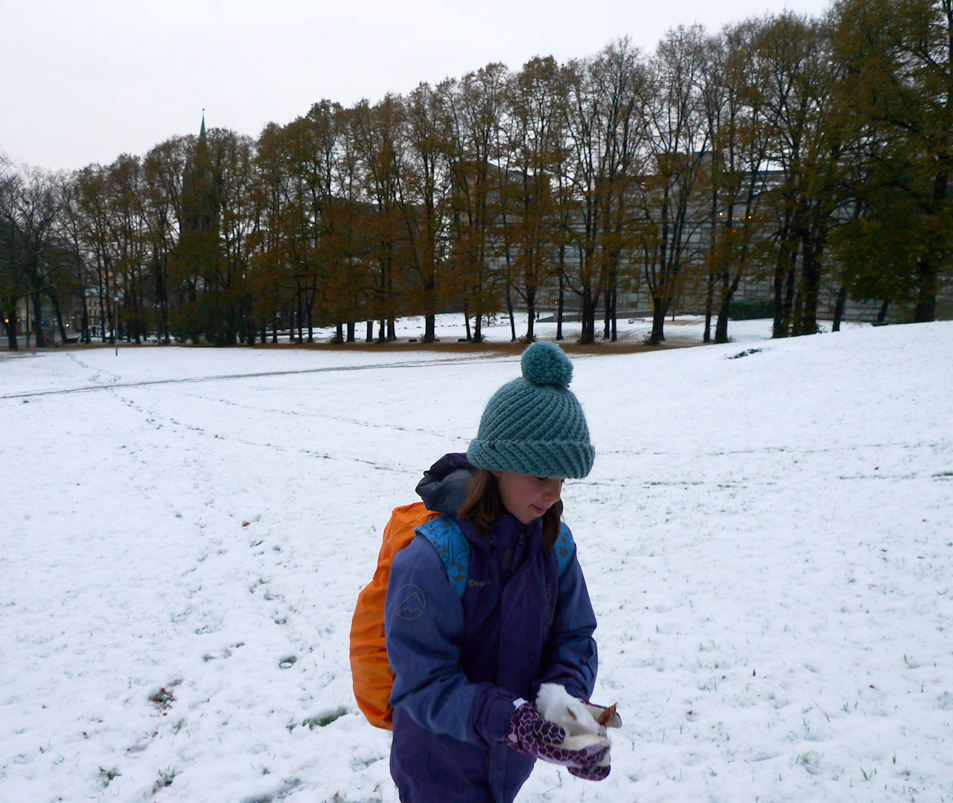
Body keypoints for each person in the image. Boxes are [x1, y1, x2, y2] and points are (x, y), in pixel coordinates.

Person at [384, 341, 618, 803]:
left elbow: (574, 637)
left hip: (507, 767)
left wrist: (565, 714)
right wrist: (510, 721)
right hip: (435, 767)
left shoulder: (554, 547)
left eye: (562, 478)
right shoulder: (434, 559)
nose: (554, 493)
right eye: (541, 476)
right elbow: (423, 681)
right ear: (496, 466)